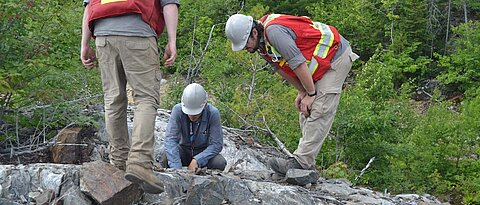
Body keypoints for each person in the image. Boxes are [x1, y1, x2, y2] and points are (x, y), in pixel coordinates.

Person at [225, 14, 359, 176]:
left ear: (254, 33)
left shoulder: (274, 33)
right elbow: (280, 68)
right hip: (318, 63)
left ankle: (302, 163)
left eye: (245, 44)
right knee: (305, 110)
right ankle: (305, 165)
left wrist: (311, 93)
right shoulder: (260, 45)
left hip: (336, 56)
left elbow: (297, 62)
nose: (246, 49)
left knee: (320, 108)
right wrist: (302, 92)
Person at [80, 0, 179, 194]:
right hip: (138, 32)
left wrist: (84, 43)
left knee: (113, 99)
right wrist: (172, 41)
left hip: (103, 34)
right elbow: (169, 4)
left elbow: (88, 6)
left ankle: (119, 164)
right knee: (146, 98)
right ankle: (140, 163)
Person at [162, 83, 227, 171]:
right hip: (183, 150)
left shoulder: (213, 113)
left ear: (205, 105)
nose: (192, 116)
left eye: (196, 114)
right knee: (165, 155)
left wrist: (198, 160)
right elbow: (170, 139)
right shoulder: (177, 110)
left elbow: (217, 144)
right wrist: (177, 169)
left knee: (219, 162)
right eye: (189, 113)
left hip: (202, 151)